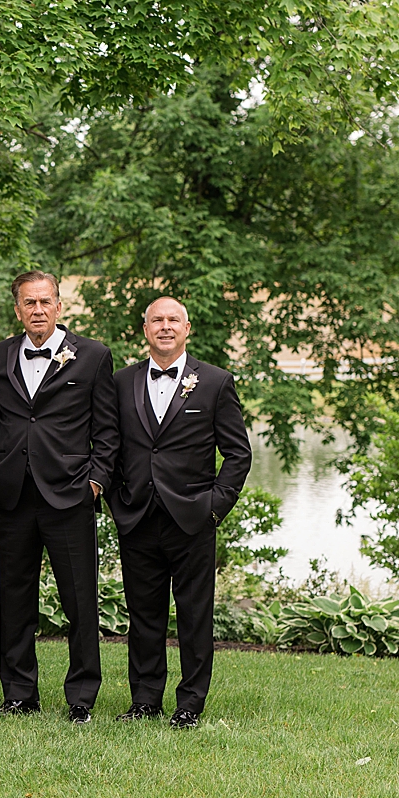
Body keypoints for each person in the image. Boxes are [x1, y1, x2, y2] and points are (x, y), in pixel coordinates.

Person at [109, 296, 251, 729]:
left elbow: (237, 454)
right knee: (143, 615)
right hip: (137, 517)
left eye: (173, 320)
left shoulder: (214, 382)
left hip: (192, 519)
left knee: (193, 616)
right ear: (145, 328)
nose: (165, 327)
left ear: (187, 328)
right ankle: (145, 700)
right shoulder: (120, 382)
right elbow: (110, 448)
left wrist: (214, 507)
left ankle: (189, 704)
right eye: (157, 320)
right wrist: (118, 501)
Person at [0, 271, 118, 724]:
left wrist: (95, 481)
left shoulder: (93, 355)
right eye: (28, 303)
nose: (37, 310)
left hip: (70, 493)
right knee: (14, 598)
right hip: (14, 495)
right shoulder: (0, 354)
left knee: (79, 599)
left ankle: (81, 697)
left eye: (45, 302)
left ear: (59, 306)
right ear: (17, 309)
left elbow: (108, 429)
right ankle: (19, 694)